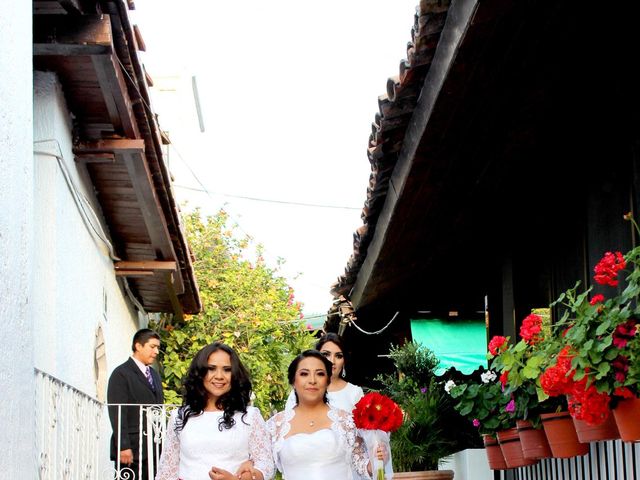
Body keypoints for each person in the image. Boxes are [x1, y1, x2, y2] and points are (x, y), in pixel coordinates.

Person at [156, 342, 274, 480]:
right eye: (211, 368)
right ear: (200, 372)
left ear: (235, 374)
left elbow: (266, 464)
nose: (219, 376)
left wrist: (248, 476)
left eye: (227, 369)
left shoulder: (249, 416)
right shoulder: (179, 416)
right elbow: (167, 470)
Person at [268, 350, 380, 480]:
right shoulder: (275, 425)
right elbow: (262, 467)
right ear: (293, 381)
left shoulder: (346, 421)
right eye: (304, 374)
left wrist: (376, 460)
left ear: (327, 381)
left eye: (320, 374)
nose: (312, 380)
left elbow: (363, 466)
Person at [107, 328, 164, 480]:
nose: (156, 351)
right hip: (132, 448)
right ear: (138, 346)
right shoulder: (121, 373)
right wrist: (123, 445)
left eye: (158, 347)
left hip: (153, 447)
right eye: (152, 347)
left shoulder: (154, 375)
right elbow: (118, 412)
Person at [284, 333, 363, 411]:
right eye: (326, 354)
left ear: (344, 361)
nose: (332, 361)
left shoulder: (354, 393)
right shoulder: (302, 390)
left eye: (338, 356)